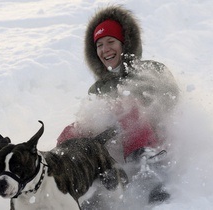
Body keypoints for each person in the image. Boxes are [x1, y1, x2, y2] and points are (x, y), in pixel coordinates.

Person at [56, 5, 180, 208]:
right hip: (116, 148)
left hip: (156, 141)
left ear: (125, 44)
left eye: (111, 42)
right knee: (73, 131)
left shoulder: (151, 69)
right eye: (99, 45)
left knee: (126, 105)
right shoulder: (97, 88)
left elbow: (171, 100)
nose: (105, 49)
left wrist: (137, 102)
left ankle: (150, 172)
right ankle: (73, 180)